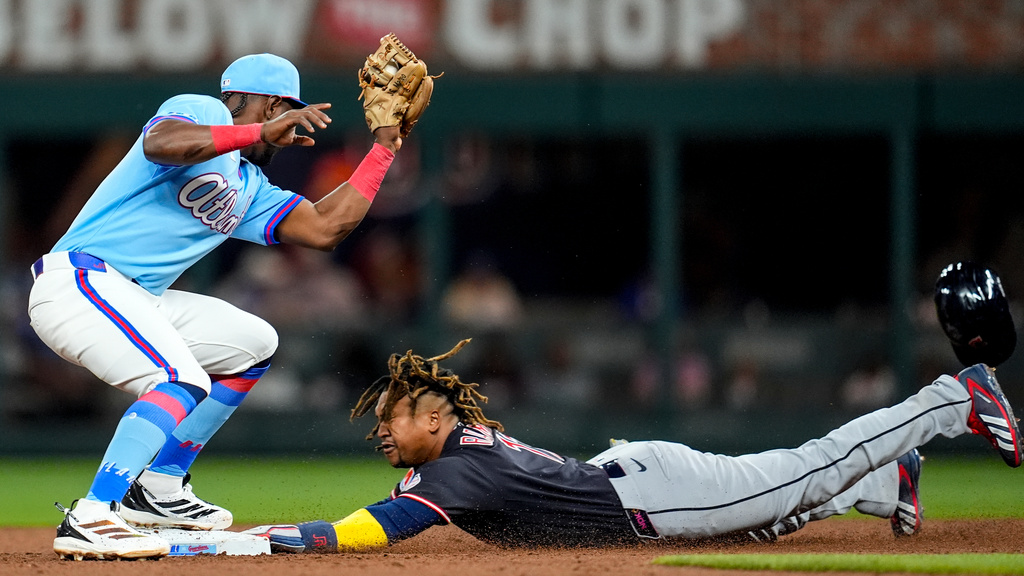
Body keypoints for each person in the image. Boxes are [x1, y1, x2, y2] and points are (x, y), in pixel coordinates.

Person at [28, 53, 404, 560]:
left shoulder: (249, 186)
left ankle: (158, 487)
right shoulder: (201, 109)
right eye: (285, 110)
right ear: (266, 103)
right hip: (79, 282)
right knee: (180, 380)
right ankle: (94, 512)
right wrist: (258, 133)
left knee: (254, 344)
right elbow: (163, 143)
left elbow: (323, 228)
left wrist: (382, 149)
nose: (291, 126)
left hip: (136, 297)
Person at [244, 339, 1022, 552]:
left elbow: (376, 527)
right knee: (755, 522)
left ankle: (952, 397)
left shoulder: (459, 468)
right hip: (639, 483)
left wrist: (290, 538)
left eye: (397, 414)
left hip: (649, 495)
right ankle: (887, 486)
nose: (382, 426)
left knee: (802, 471)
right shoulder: (468, 443)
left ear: (439, 419)